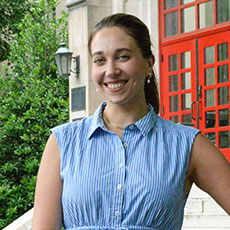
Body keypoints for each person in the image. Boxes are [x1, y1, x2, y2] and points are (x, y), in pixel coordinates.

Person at [32, 13, 230, 230]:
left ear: (149, 63)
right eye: (100, 60)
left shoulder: (185, 144)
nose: (111, 71)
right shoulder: (63, 142)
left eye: (123, 56)